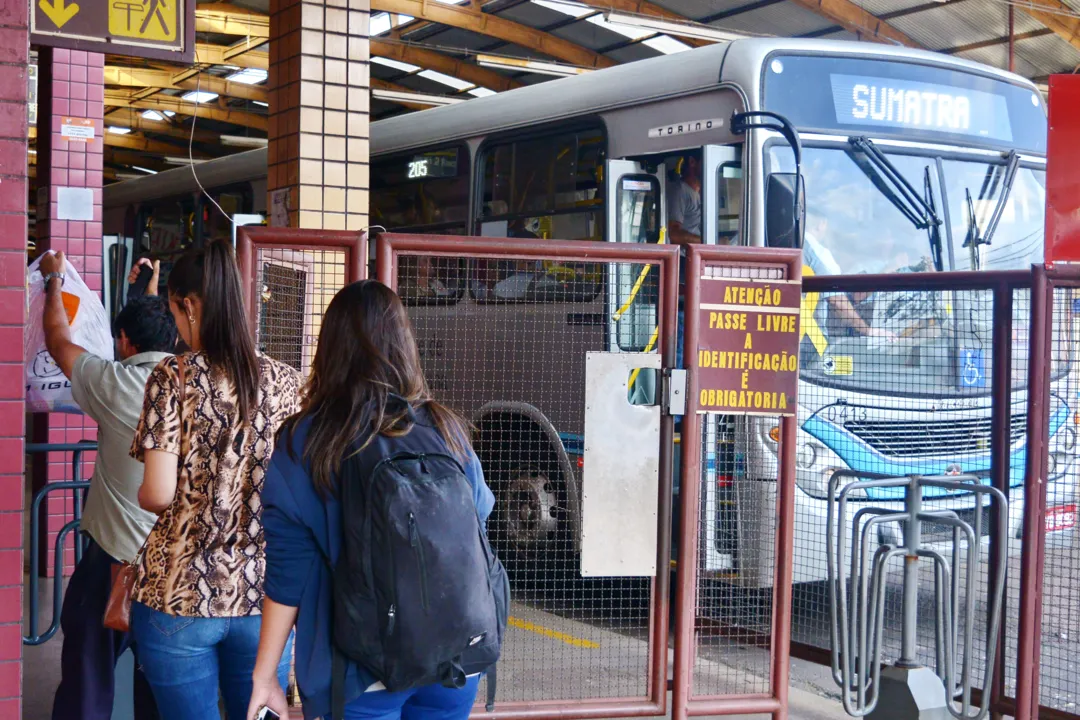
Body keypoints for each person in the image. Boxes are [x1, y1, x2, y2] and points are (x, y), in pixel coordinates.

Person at [246, 280, 495, 720]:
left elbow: (288, 577)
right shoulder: (446, 429)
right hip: (455, 661)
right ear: (405, 345)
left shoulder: (307, 443)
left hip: (358, 672)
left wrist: (266, 676)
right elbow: (477, 523)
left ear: (329, 350)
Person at [127, 240, 302, 720]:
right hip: (263, 598)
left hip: (177, 593)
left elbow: (158, 494)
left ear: (187, 304)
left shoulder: (172, 376)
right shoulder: (287, 381)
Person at [41, 253, 174, 720]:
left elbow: (59, 342)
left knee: (88, 673)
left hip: (113, 564)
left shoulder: (114, 384)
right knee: (162, 682)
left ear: (122, 341)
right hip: (179, 569)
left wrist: (54, 282)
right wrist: (150, 295)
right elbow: (152, 341)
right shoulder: (196, 388)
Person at [667, 154, 702, 246]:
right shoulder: (680, 191)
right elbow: (674, 235)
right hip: (685, 258)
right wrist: (709, 242)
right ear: (692, 162)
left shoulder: (703, 192)